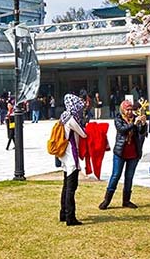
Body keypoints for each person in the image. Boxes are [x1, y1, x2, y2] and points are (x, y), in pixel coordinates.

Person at [100, 100, 147, 209]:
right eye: (127, 109)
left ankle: (126, 200)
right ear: (122, 110)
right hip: (120, 152)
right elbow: (122, 130)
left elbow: (141, 132)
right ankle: (107, 200)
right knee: (115, 175)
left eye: (131, 109)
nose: (130, 112)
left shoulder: (135, 118)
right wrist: (133, 124)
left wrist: (143, 124)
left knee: (129, 177)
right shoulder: (118, 119)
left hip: (133, 152)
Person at [59, 93, 88, 225]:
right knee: (71, 188)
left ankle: (63, 213)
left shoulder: (63, 116)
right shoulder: (71, 119)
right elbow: (83, 134)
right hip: (71, 157)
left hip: (65, 156)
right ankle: (70, 217)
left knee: (66, 187)